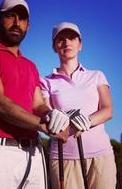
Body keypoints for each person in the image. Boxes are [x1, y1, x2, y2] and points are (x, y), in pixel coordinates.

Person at [0, 0, 70, 189]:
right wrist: (44, 125)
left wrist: (51, 114)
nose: (17, 22)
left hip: (34, 154)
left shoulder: (31, 65)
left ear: (28, 26)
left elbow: (37, 104)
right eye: (10, 16)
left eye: (22, 18)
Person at [40, 22, 117, 189]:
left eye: (72, 38)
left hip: (101, 157)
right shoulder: (45, 81)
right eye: (61, 39)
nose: (67, 42)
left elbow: (108, 110)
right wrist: (51, 116)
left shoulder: (96, 75)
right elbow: (45, 112)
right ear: (54, 47)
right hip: (63, 158)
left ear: (80, 45)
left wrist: (87, 120)